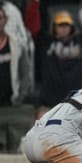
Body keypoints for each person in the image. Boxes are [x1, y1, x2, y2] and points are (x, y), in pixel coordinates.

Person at [24, 0, 82, 111]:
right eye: (60, 25)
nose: (63, 28)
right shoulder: (46, 41)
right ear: (54, 27)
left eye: (66, 25)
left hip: (77, 100)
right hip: (50, 101)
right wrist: (35, 3)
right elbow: (32, 25)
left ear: (71, 27)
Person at [0, 1, 34, 153]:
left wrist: (20, 95)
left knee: (13, 148)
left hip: (11, 103)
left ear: (5, 20)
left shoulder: (15, 43)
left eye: (0, 17)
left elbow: (25, 72)